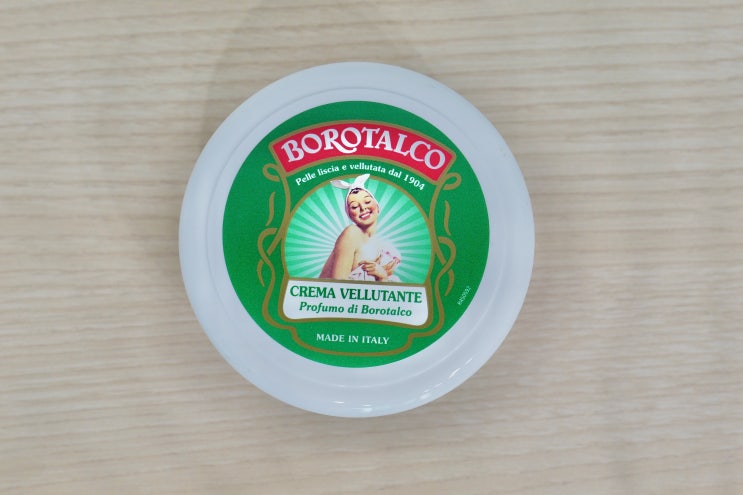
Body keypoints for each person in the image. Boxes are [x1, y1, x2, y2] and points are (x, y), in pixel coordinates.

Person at [319, 174, 401, 282]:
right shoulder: (351, 233)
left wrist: (382, 276)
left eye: (367, 202)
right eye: (354, 206)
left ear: (377, 207)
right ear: (350, 215)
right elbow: (338, 284)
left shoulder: (380, 246)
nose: (363, 208)